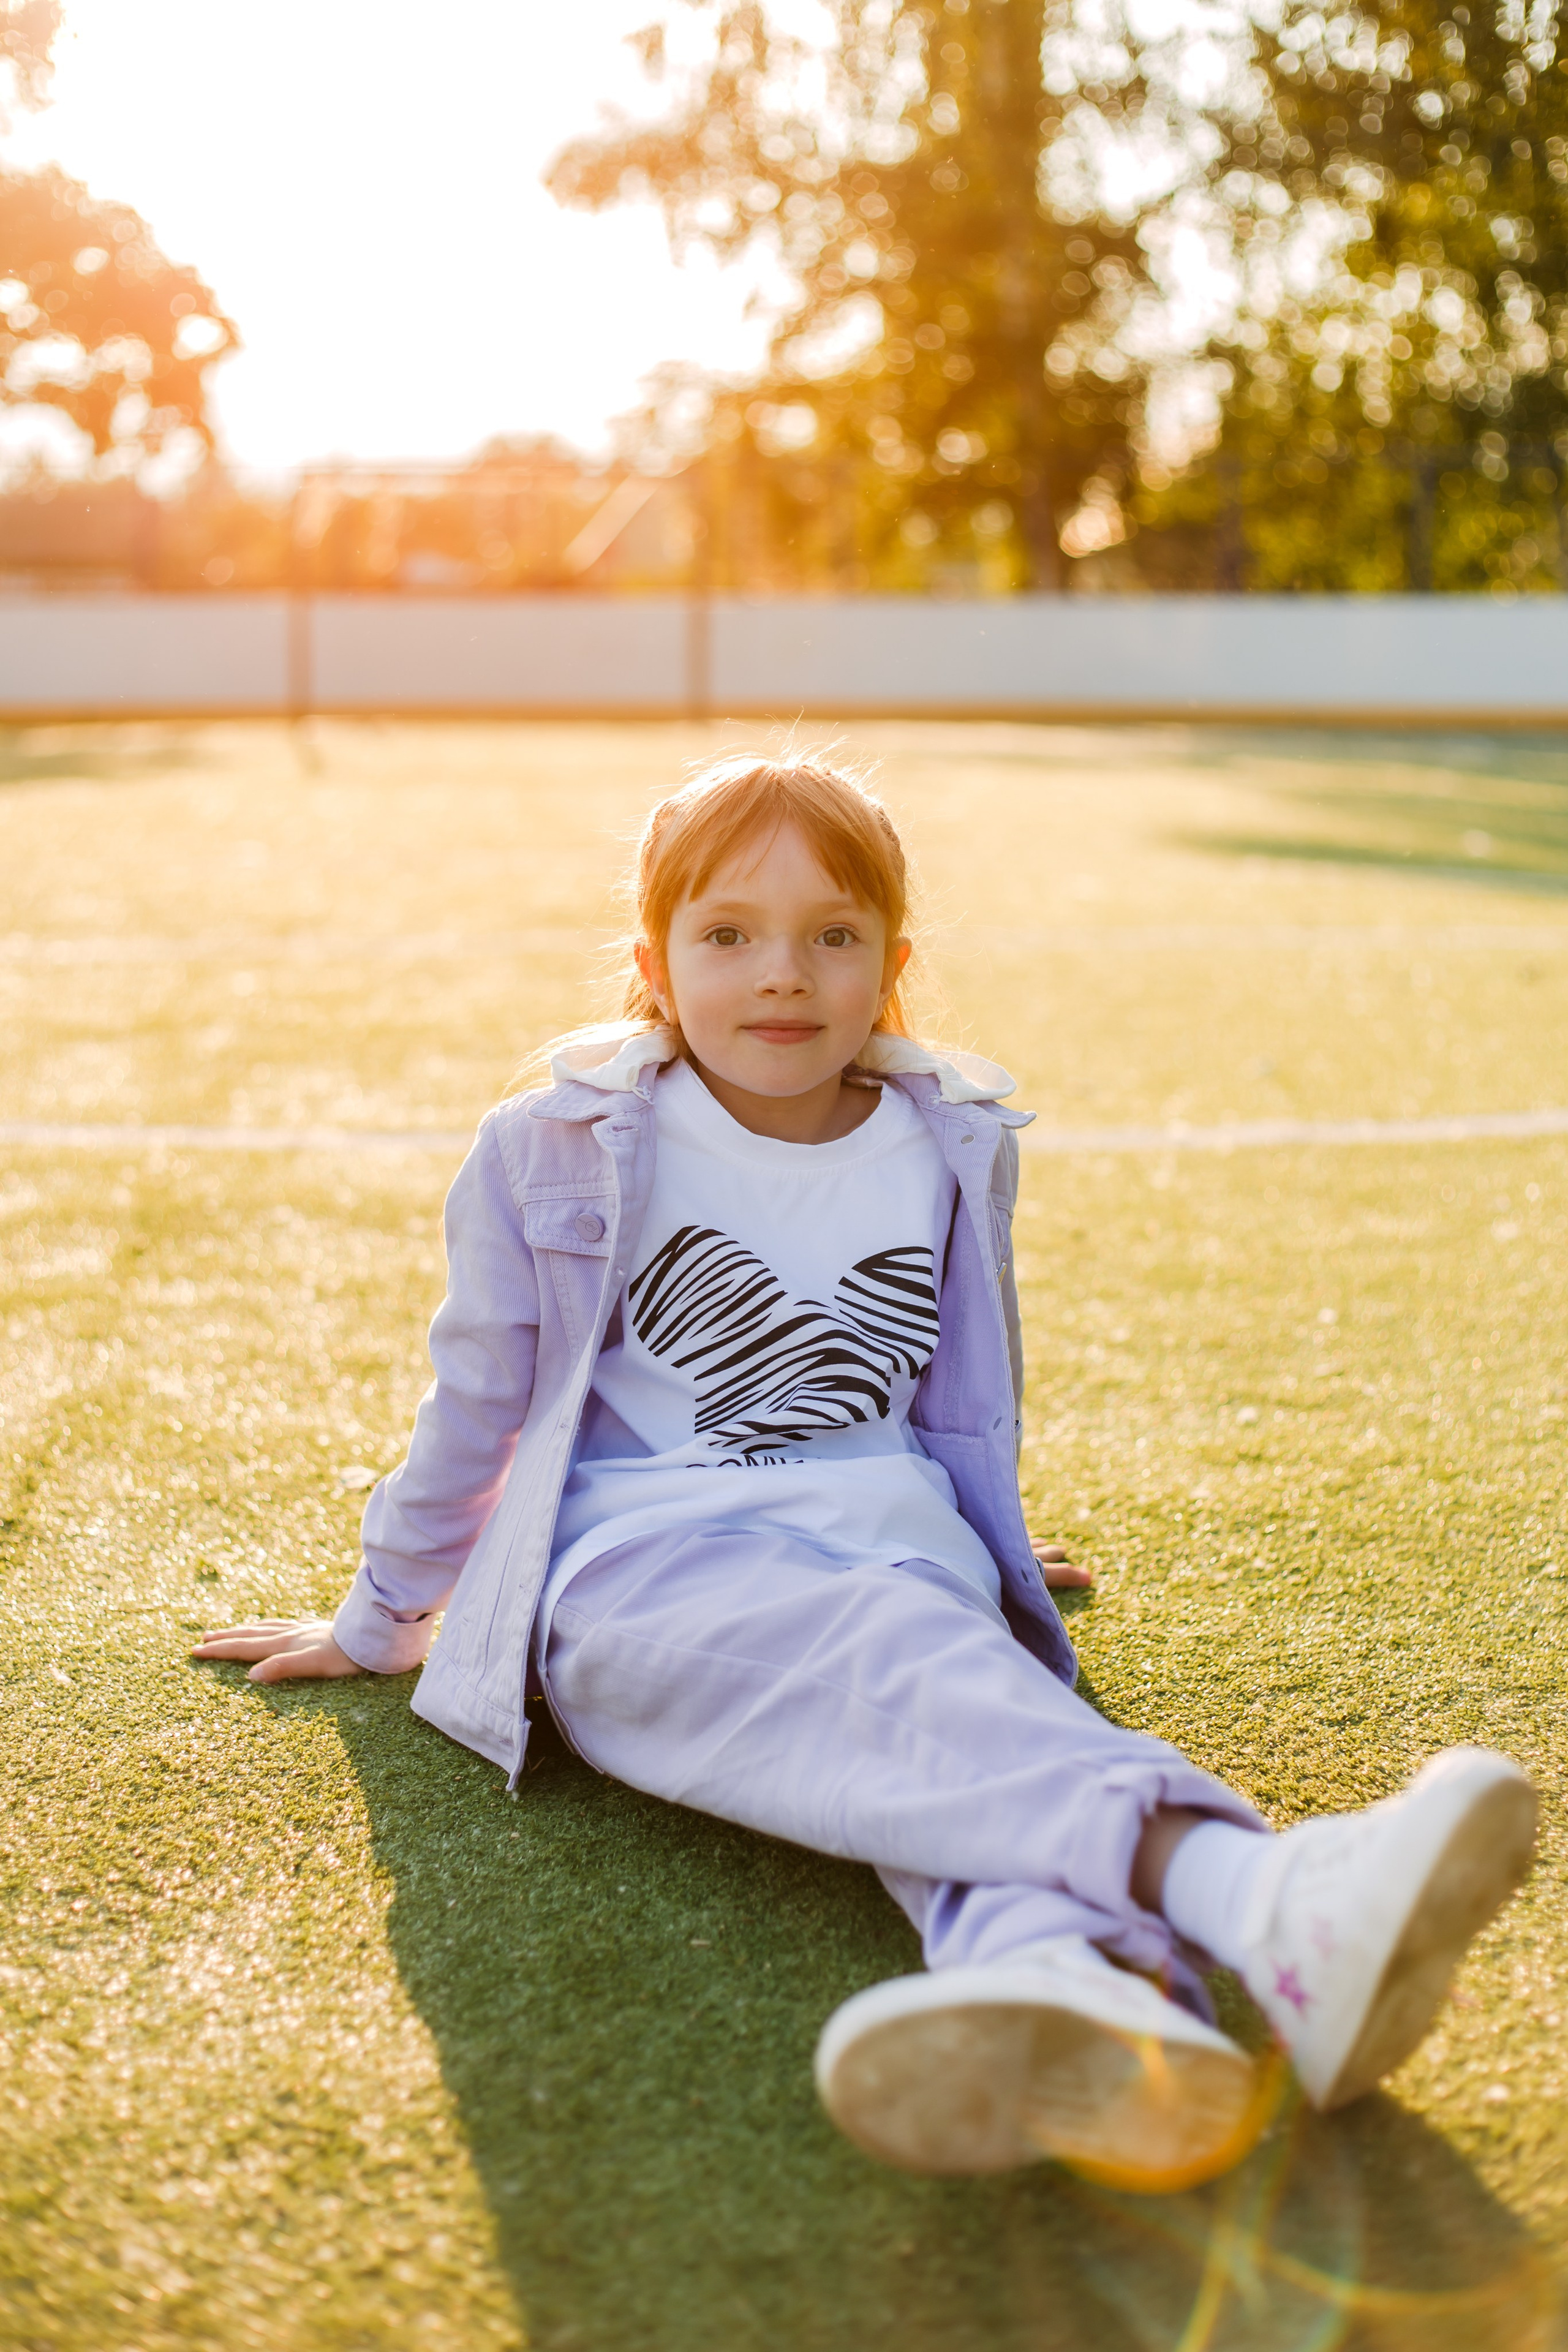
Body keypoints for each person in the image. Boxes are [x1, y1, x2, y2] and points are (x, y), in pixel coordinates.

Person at [194, 756, 1537, 2191]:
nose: (781, 976)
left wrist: (989, 1538)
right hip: (644, 1567)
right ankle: (1262, 1894)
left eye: (832, 935)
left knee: (920, 1728)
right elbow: (478, 1397)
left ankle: (1093, 2009)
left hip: (895, 1547)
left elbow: (943, 1388)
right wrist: (384, 1613)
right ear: (653, 964)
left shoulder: (944, 1139)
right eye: (727, 935)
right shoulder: (557, 1144)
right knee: (893, 1683)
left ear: (892, 965)